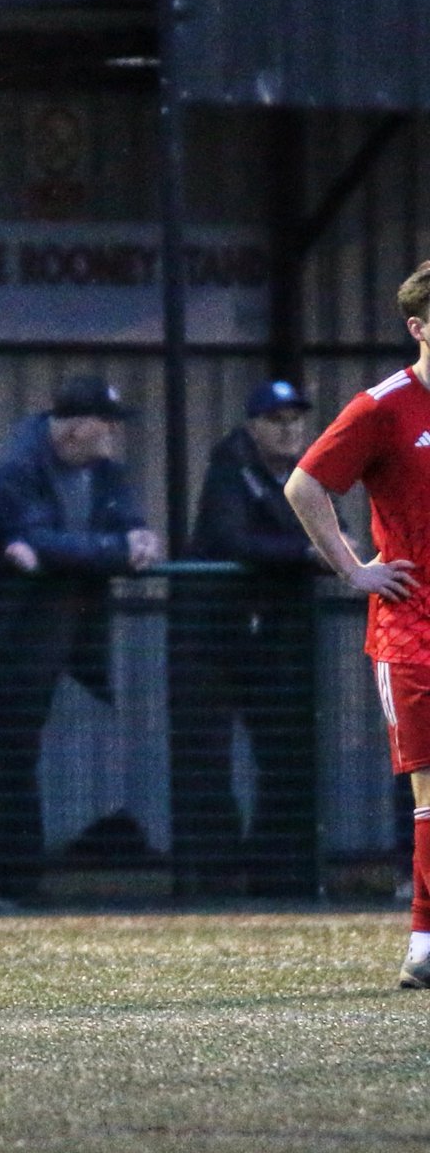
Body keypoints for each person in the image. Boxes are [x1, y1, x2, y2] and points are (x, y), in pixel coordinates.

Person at [285, 259, 430, 988]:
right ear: (419, 327)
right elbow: (305, 483)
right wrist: (352, 568)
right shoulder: (381, 407)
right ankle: (425, 945)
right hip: (413, 628)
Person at [0, 374, 163, 906]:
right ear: (77, 427)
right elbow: (38, 541)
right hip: (10, 637)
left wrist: (137, 539)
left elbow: (128, 525)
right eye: (106, 425)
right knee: (5, 755)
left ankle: (23, 882)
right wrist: (116, 549)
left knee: (22, 754)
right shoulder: (17, 468)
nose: (112, 437)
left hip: (66, 633)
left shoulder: (105, 473)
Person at [170, 380, 326, 898]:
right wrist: (306, 553)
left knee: (284, 753)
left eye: (295, 420)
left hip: (271, 637)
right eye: (277, 421)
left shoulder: (308, 473)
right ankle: (211, 881)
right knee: (206, 758)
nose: (289, 430)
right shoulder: (230, 465)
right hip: (211, 634)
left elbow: (336, 531)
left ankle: (276, 876)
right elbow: (231, 538)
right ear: (254, 425)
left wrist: (333, 547)